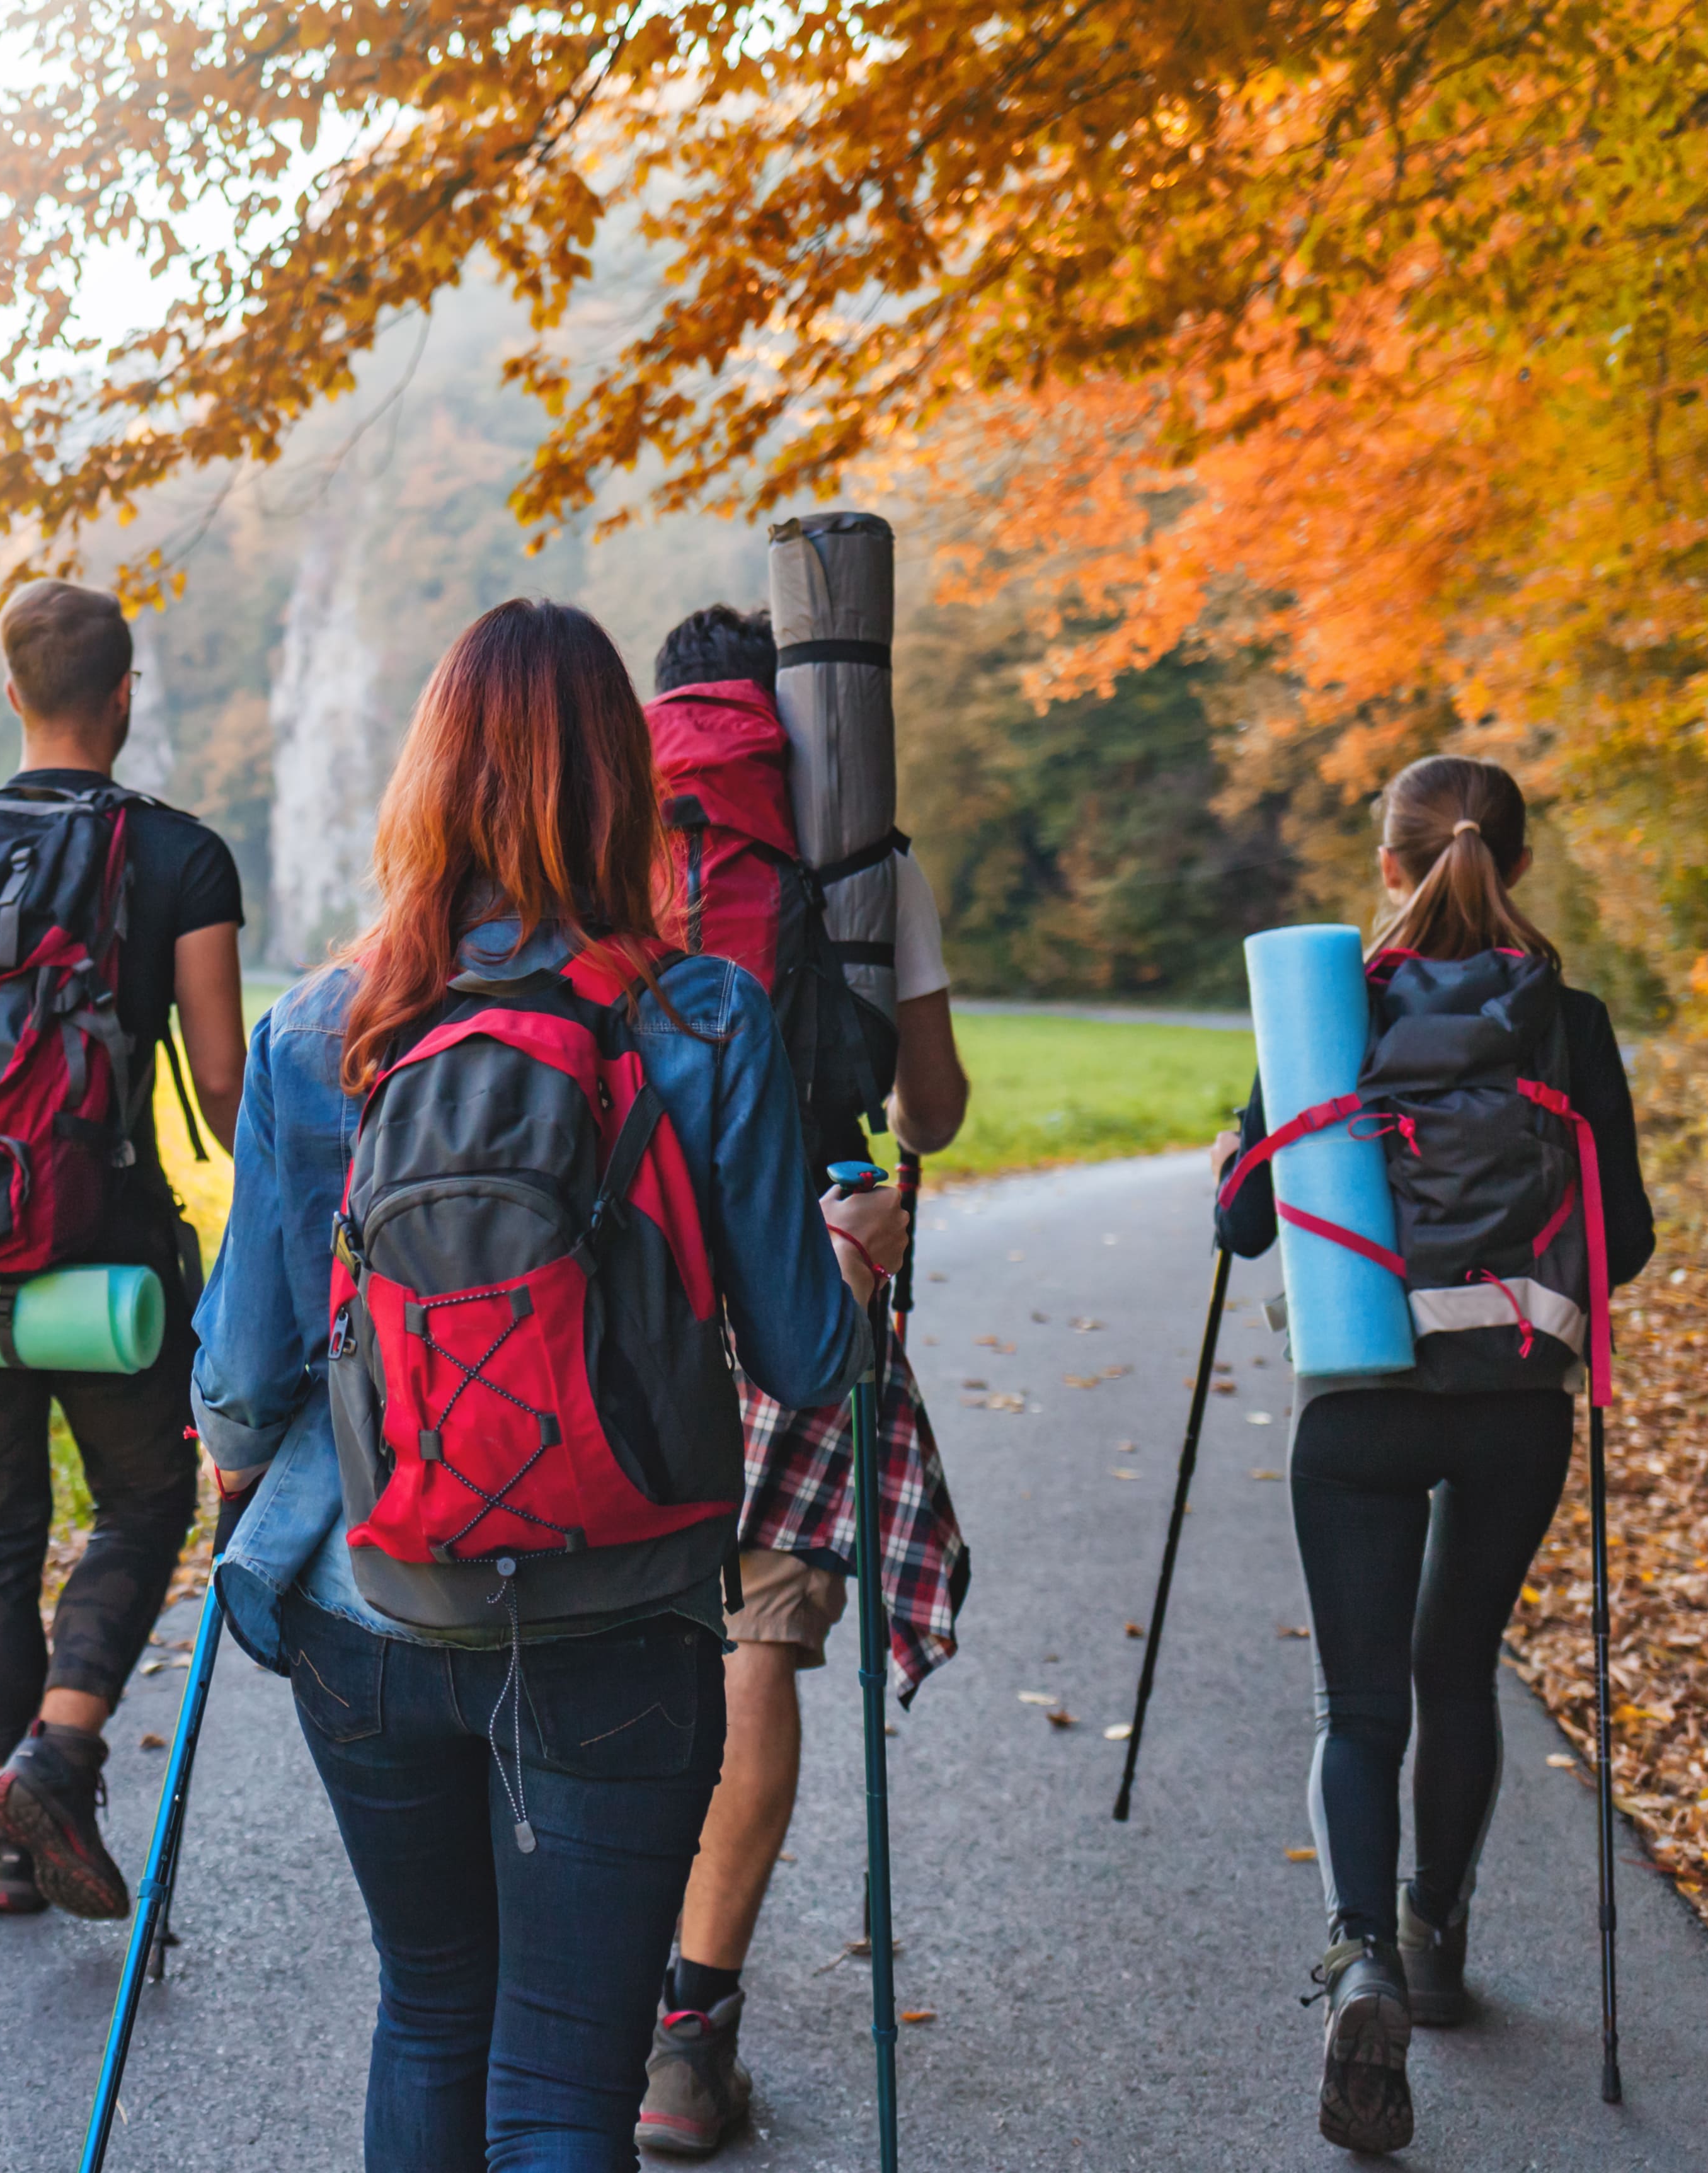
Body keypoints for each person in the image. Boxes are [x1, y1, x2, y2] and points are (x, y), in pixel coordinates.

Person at [191, 598, 907, 2170]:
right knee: (566, 2080)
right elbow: (802, 1360)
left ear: (429, 779)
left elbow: (241, 1382)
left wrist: (252, 1459)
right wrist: (857, 1253)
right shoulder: (698, 1014)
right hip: (623, 1609)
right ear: (621, 784)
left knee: (433, 2013)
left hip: (370, 1607)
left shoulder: (323, 1025)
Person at [1210, 754, 1651, 2153]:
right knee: (1456, 1669)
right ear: (1511, 865)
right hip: (1515, 1398)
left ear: (1390, 867)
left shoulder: (1321, 1012)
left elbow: (1239, 1223)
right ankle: (1440, 1943)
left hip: (1360, 1401)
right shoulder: (1566, 1023)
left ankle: (1358, 1961)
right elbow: (1624, 1239)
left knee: (1359, 1707)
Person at [630, 602, 971, 2157]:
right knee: (761, 1620)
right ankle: (691, 2040)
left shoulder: (605, 827)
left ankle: (586, 1972)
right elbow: (938, 1106)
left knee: (619, 1603)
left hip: (622, 1266)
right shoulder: (861, 859)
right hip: (807, 1255)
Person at [0, 580, 248, 1920]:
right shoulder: (182, 857)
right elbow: (226, 1082)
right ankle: (57, 1757)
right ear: (127, 696)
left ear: (11, 695)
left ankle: (7, 1843)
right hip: (103, 1255)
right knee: (145, 1500)